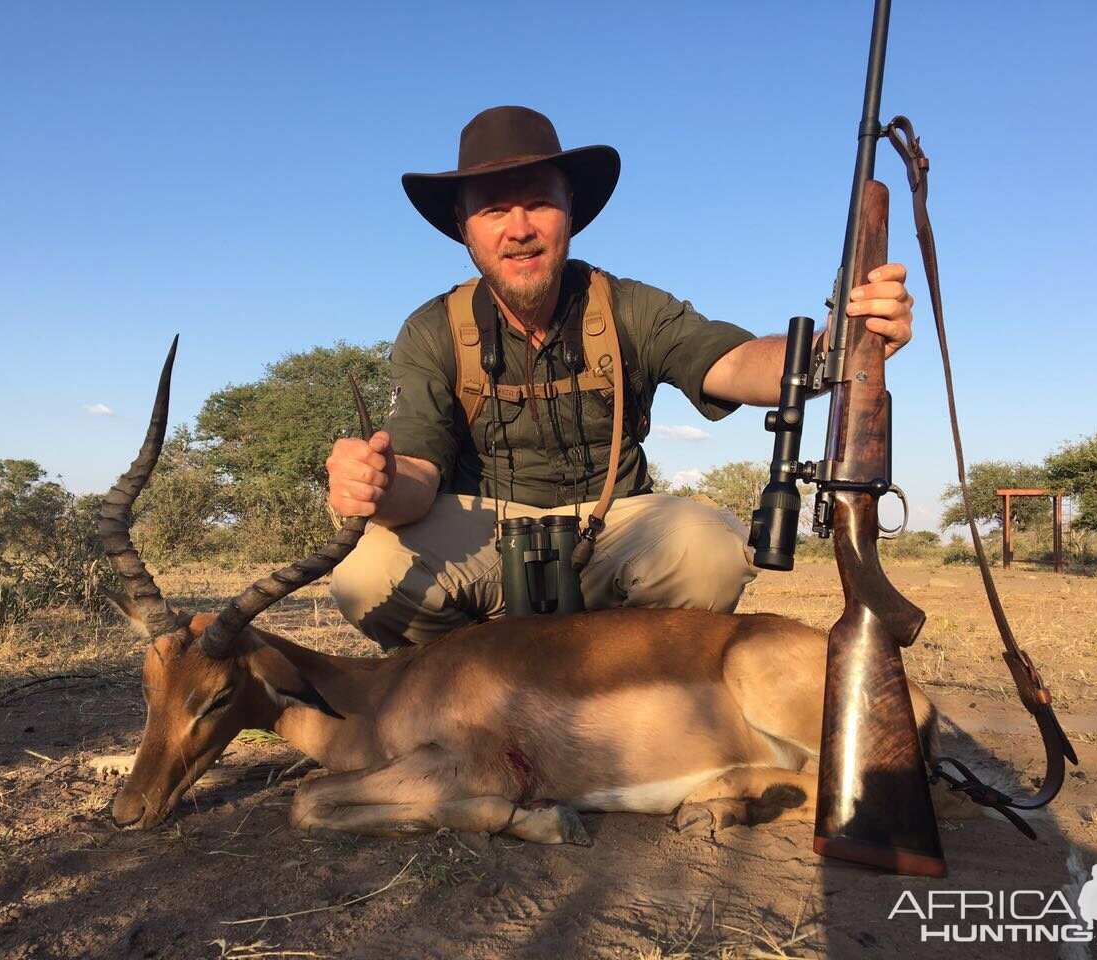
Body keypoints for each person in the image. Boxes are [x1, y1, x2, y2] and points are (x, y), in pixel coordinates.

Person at [327, 106, 914, 651]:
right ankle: (468, 685)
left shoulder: (627, 306)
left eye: (539, 203)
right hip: (486, 541)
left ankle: (631, 680)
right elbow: (418, 474)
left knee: (707, 550)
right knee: (365, 576)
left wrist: (833, 345)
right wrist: (377, 485)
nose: (520, 228)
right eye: (494, 210)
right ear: (464, 227)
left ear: (570, 211)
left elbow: (732, 362)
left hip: (609, 533)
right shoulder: (433, 329)